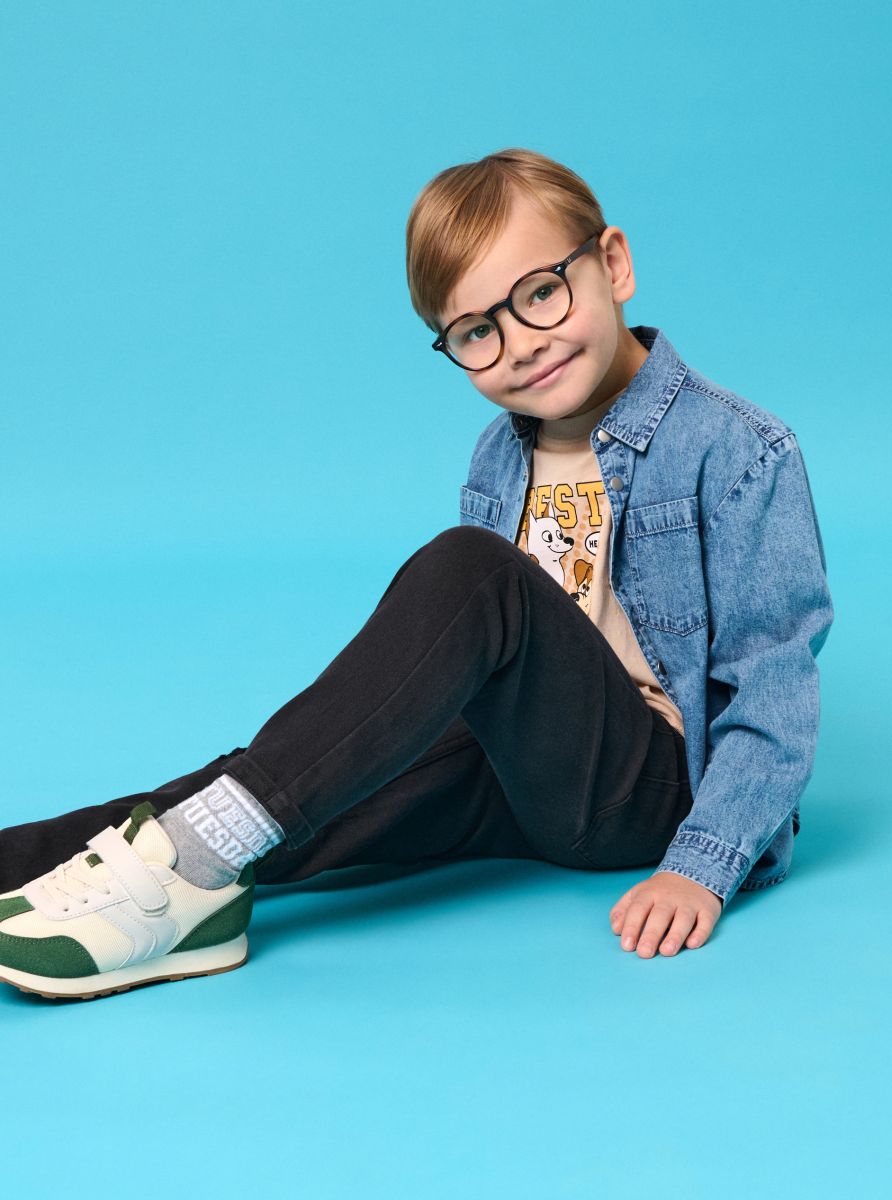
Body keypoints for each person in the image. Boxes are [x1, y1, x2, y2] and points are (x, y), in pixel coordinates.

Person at [0, 147, 834, 999]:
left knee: (472, 569)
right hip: (520, 767)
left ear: (613, 265)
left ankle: (202, 856)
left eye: (541, 293)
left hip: (646, 789)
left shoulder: (737, 450)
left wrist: (701, 866)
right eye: (477, 332)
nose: (521, 346)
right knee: (287, 785)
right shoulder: (500, 453)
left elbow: (773, 695)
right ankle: (117, 874)